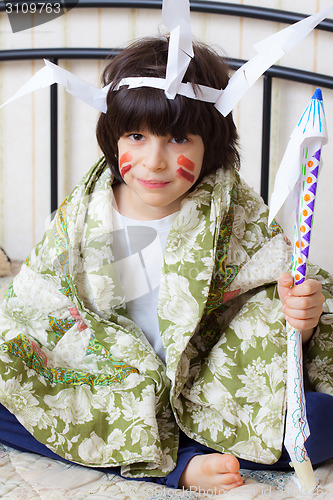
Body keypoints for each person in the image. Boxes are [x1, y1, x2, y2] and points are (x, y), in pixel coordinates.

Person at [0, 36, 332, 494]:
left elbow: (272, 309)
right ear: (113, 137)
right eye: (136, 136)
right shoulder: (82, 213)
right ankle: (176, 462)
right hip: (106, 379)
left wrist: (302, 318)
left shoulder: (235, 212)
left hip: (203, 383)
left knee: (318, 421)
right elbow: (41, 304)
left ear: (209, 143)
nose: (154, 162)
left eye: (178, 138)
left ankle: (163, 442)